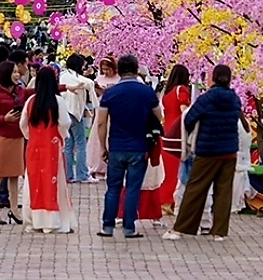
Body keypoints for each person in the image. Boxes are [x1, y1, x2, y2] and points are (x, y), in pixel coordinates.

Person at [163, 64, 242, 242]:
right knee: (223, 191)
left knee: (195, 189)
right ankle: (220, 232)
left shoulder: (207, 98)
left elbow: (189, 119)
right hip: (230, 151)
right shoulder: (235, 98)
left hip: (208, 150)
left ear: (213, 78)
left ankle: (180, 228)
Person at [95, 54, 161, 239]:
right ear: (136, 69)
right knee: (133, 188)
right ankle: (129, 227)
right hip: (139, 147)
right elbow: (159, 115)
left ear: (120, 70)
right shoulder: (146, 92)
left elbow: (101, 122)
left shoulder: (110, 93)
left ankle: (107, 226)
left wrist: (102, 147)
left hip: (116, 146)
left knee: (113, 188)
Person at [20, 66, 75, 234]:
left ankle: (33, 220)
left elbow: (23, 124)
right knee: (53, 181)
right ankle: (52, 221)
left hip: (34, 148)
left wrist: (32, 136)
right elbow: (65, 123)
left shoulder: (31, 102)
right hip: (52, 148)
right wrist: (61, 136)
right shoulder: (58, 101)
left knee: (33, 182)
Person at [0, 61, 34, 225]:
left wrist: (64, 88)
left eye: (17, 72)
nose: (17, 75)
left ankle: (14, 209)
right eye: (13, 72)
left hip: (18, 136)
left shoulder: (20, 91)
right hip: (4, 137)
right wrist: (4, 119)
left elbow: (37, 91)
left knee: (15, 174)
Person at [59, 54, 99, 184]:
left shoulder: (63, 76)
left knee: (68, 145)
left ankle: (68, 175)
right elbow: (90, 83)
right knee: (81, 144)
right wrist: (94, 105)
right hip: (75, 113)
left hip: (64, 113)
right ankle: (82, 174)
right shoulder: (75, 78)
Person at [159, 64, 192, 214]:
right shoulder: (182, 90)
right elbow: (184, 110)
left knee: (166, 169)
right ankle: (170, 200)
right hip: (178, 132)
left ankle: (163, 200)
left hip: (166, 130)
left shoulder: (168, 92)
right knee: (176, 169)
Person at [86, 56, 119, 179]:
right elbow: (97, 95)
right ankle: (97, 165)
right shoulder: (99, 78)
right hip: (101, 109)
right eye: (103, 69)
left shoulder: (119, 79)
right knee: (98, 137)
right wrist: (98, 89)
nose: (105, 72)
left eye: (107, 69)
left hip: (114, 111)